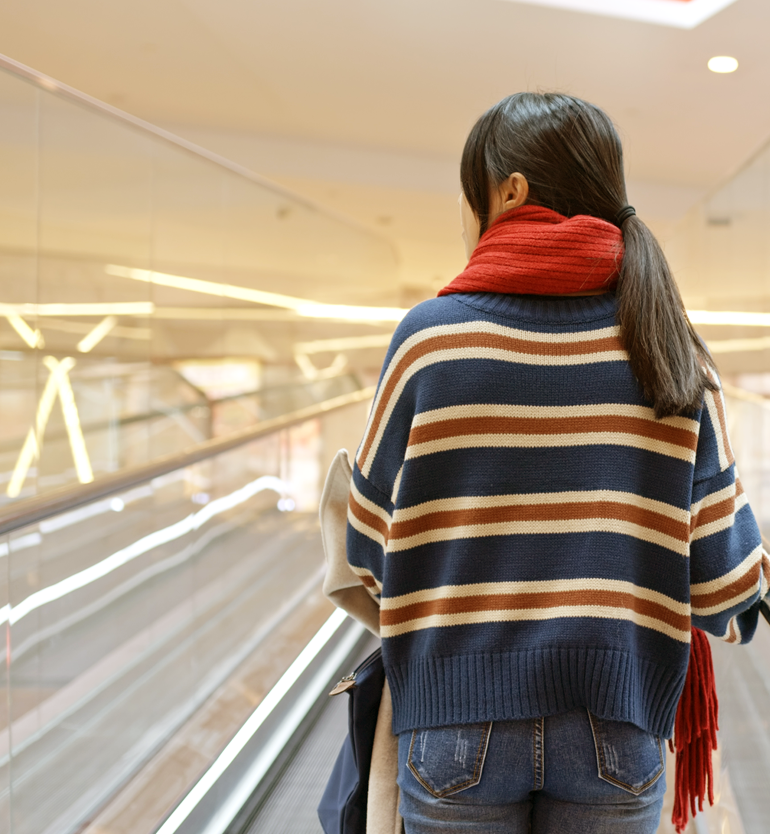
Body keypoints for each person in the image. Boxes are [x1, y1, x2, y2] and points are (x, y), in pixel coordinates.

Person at [341, 92, 770, 833]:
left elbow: (365, 554)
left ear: (511, 191)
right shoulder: (672, 352)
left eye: (473, 193)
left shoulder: (428, 342)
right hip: (618, 725)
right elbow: (727, 591)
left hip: (452, 724)